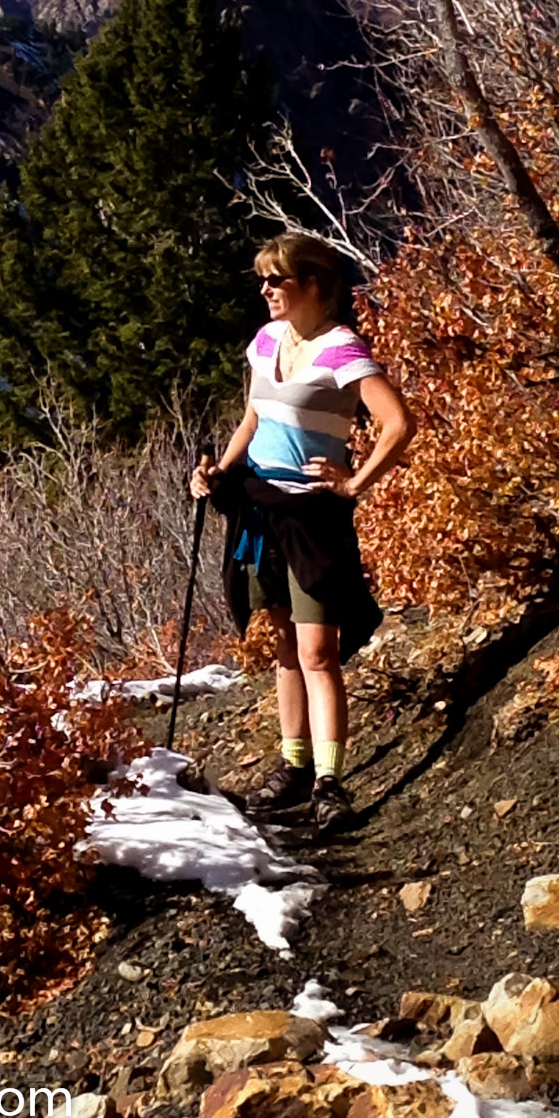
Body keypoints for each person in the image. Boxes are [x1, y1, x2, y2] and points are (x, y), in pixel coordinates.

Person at [190, 233, 415, 834]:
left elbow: (398, 423)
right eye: (263, 280)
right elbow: (254, 416)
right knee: (287, 645)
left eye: (277, 281)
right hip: (262, 509)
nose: (265, 291)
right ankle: (295, 766)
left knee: (318, 652)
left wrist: (354, 482)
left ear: (313, 285)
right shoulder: (265, 342)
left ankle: (327, 781)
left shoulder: (342, 350)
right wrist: (221, 471)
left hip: (314, 515)